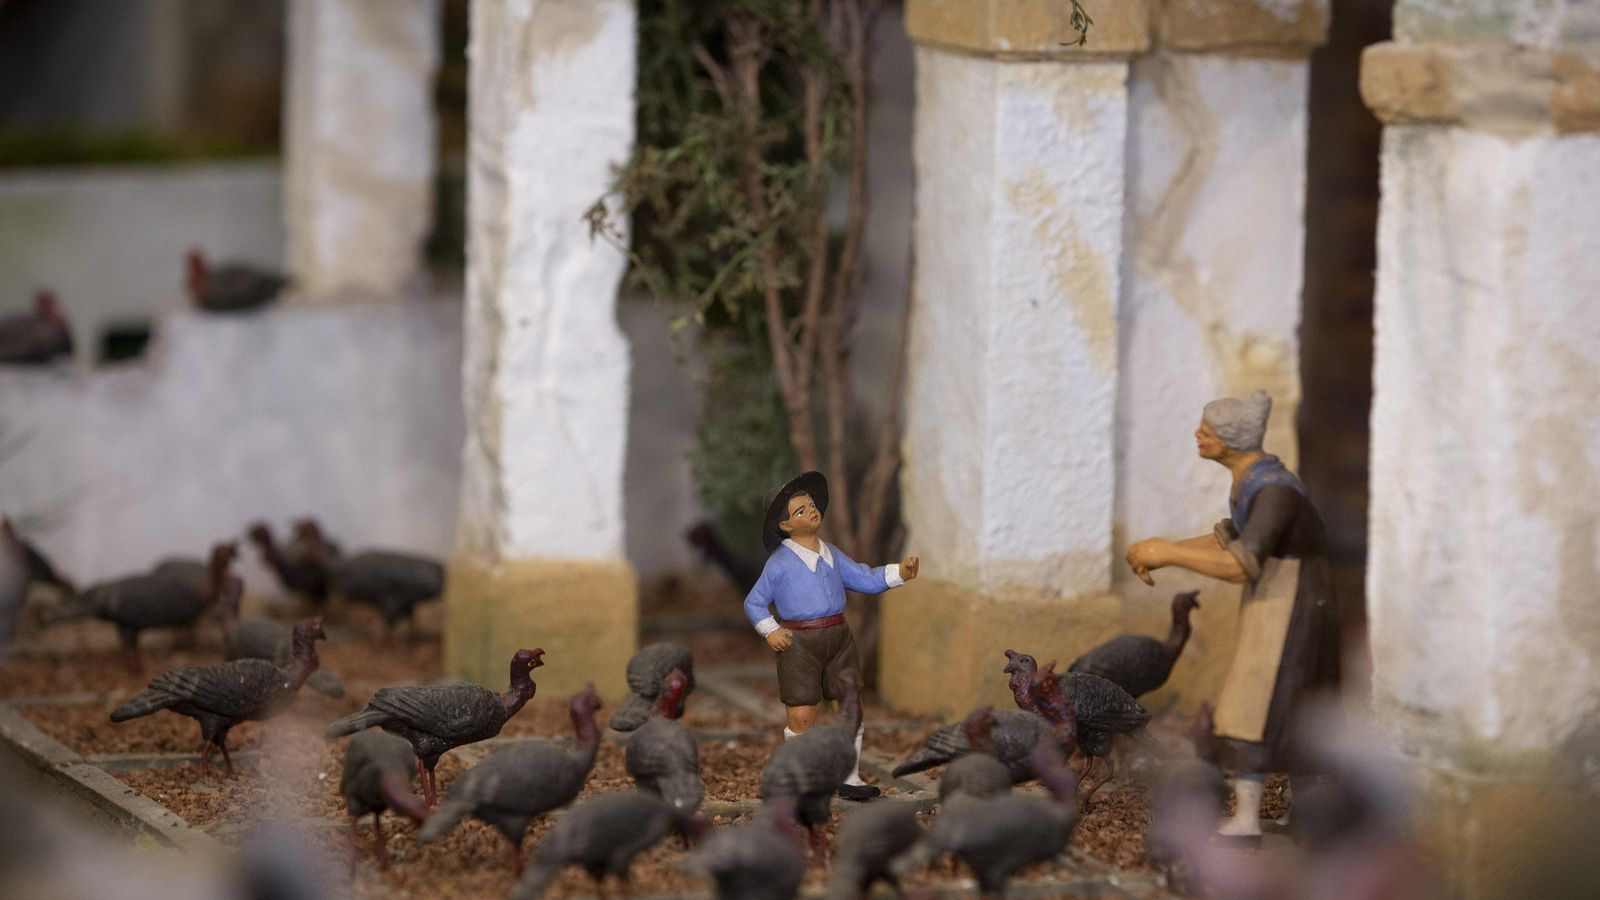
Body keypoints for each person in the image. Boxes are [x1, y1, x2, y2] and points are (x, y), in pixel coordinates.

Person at [1124, 390, 1340, 842]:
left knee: (1259, 702)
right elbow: (1229, 540)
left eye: (1207, 431)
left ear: (1232, 440)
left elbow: (1241, 565)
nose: (1198, 436)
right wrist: (1166, 551)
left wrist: (1168, 553)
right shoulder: (1252, 480)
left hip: (1293, 605)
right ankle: (1287, 814)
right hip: (1280, 598)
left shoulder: (1276, 490)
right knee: (1278, 701)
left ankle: (1247, 819)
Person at [743, 471, 920, 800]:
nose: (810, 510)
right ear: (785, 526)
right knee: (802, 713)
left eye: (810, 505)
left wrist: (899, 573)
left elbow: (864, 578)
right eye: (799, 511)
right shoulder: (779, 564)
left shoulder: (831, 554)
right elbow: (753, 602)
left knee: (849, 706)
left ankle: (848, 777)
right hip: (798, 644)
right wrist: (770, 630)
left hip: (839, 638)